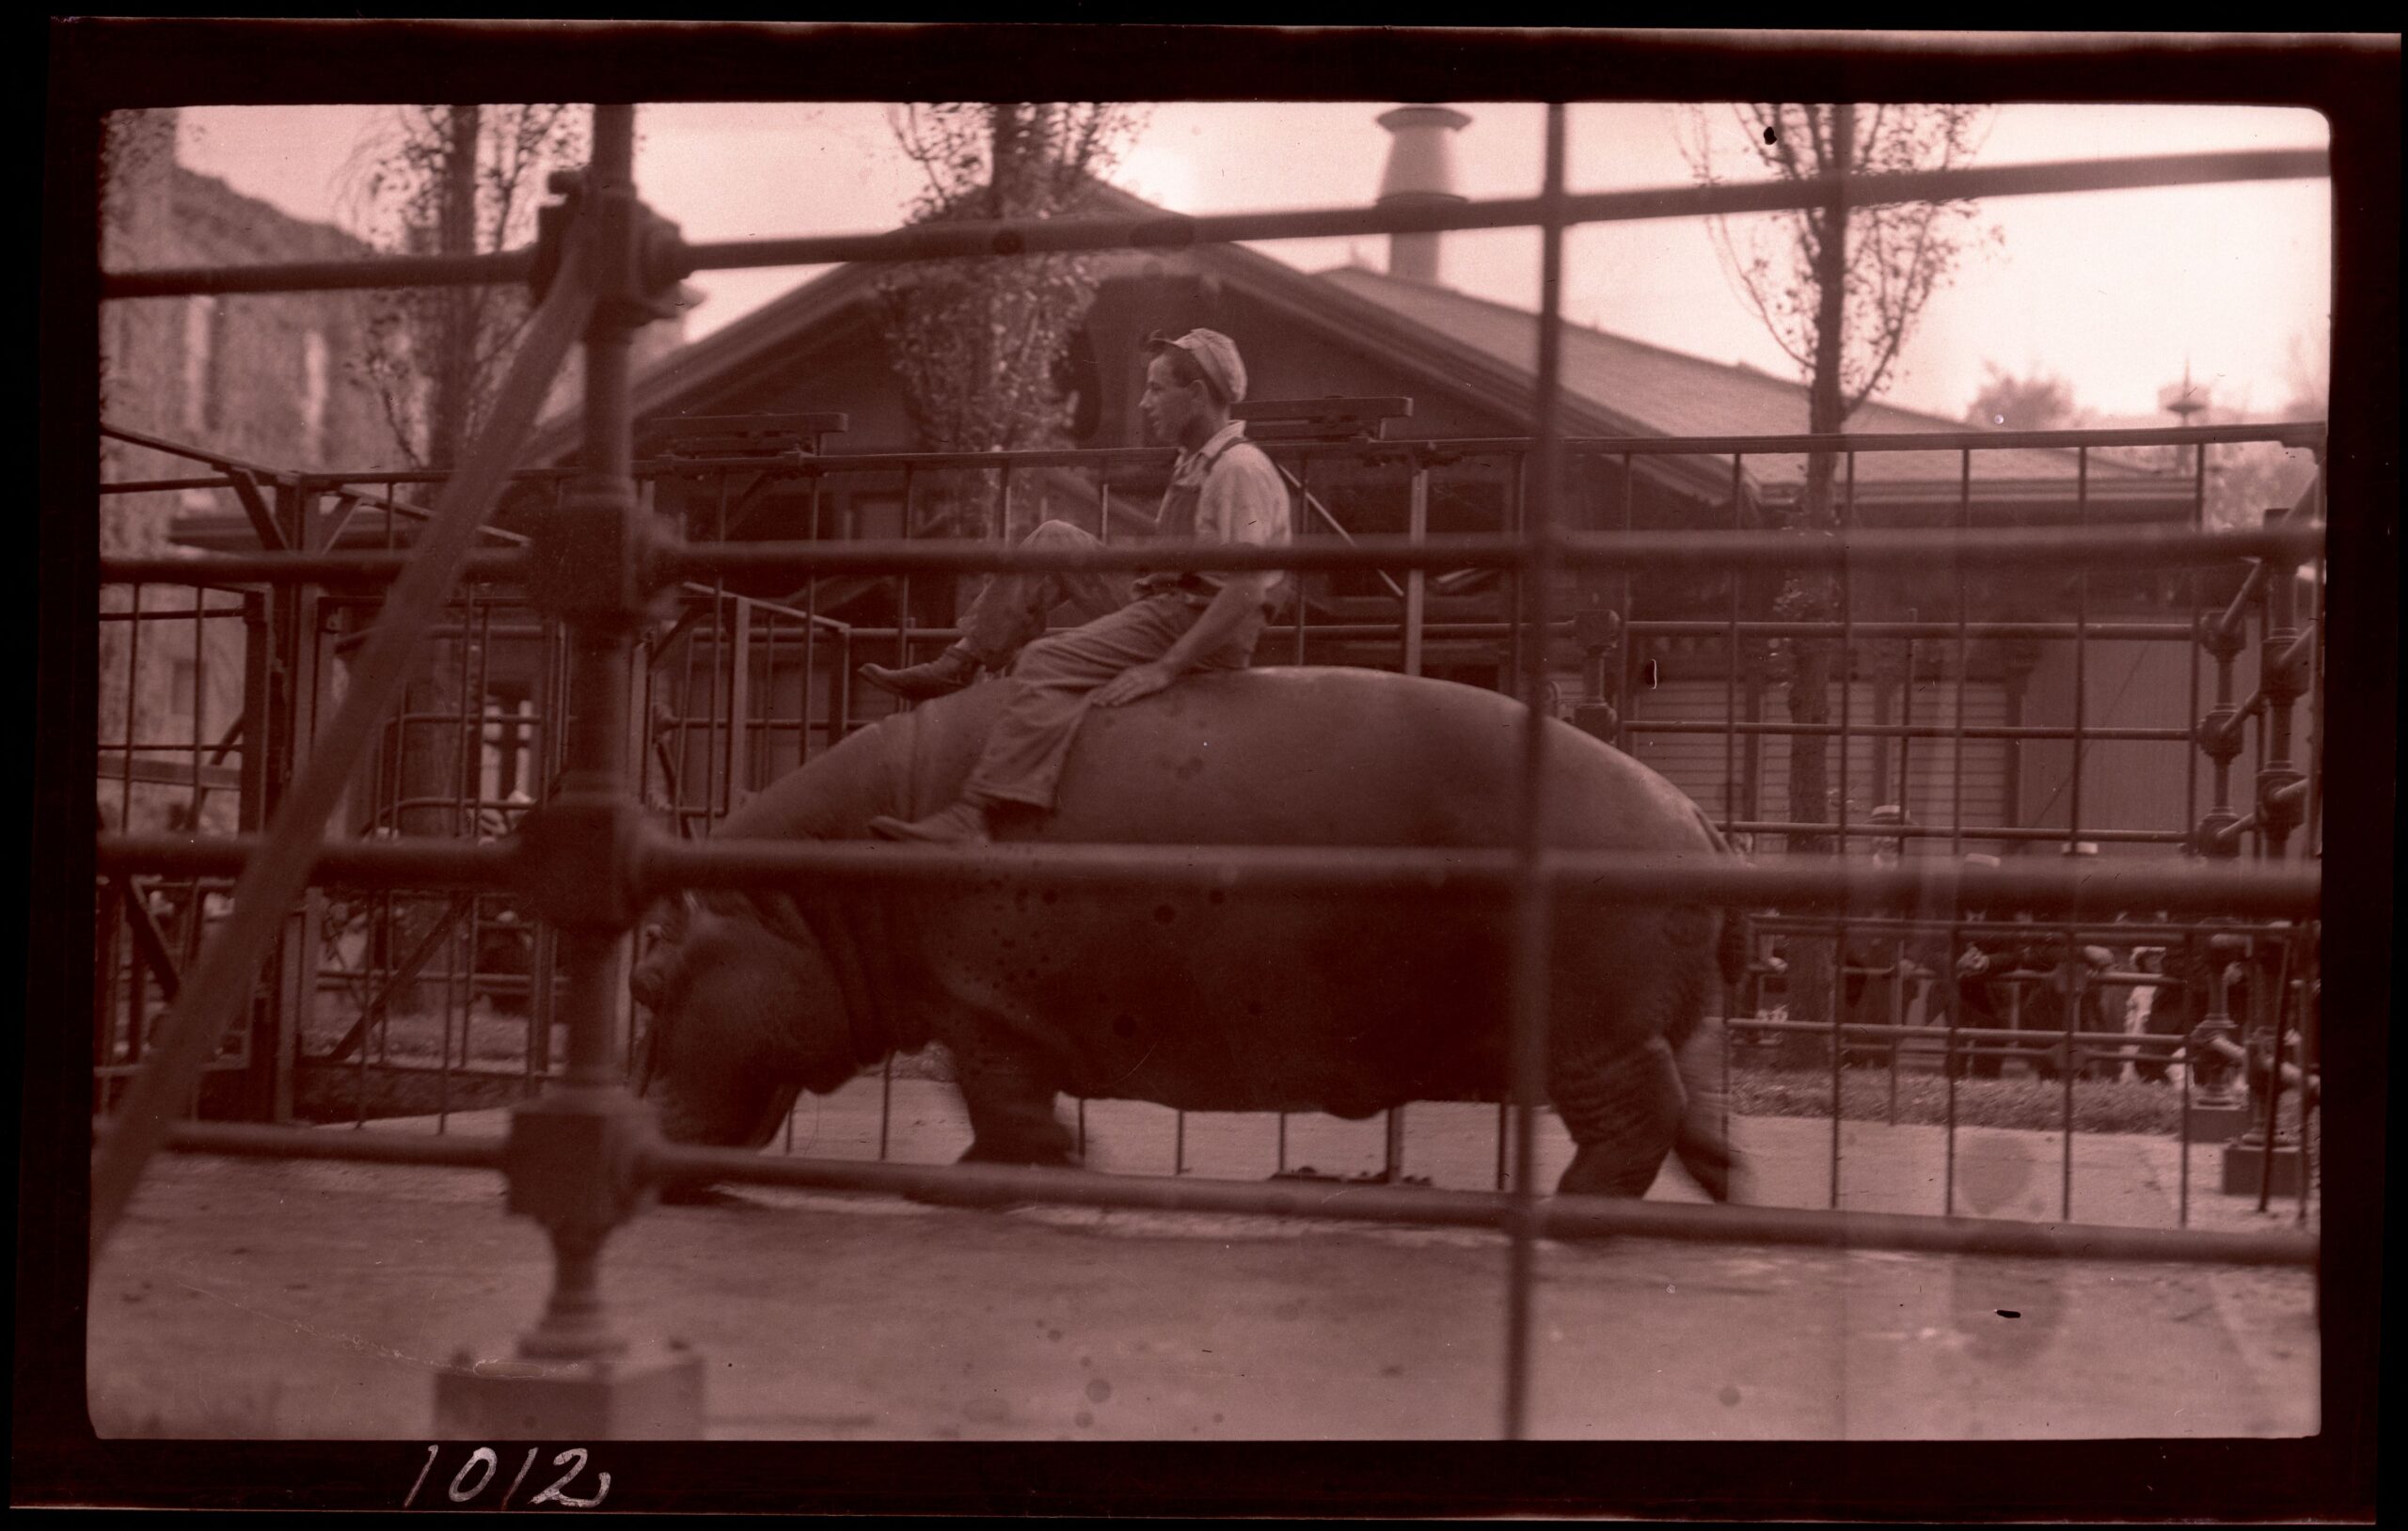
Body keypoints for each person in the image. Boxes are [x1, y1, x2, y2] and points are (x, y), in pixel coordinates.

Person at [862, 328, 1291, 846]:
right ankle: (963, 660)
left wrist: (1166, 667)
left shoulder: (1238, 470)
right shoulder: (1196, 459)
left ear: (1197, 394)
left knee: (1046, 661)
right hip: (1165, 598)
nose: (1144, 402)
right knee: (1056, 539)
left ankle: (976, 814)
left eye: (1157, 389)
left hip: (1198, 618)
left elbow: (1244, 588)